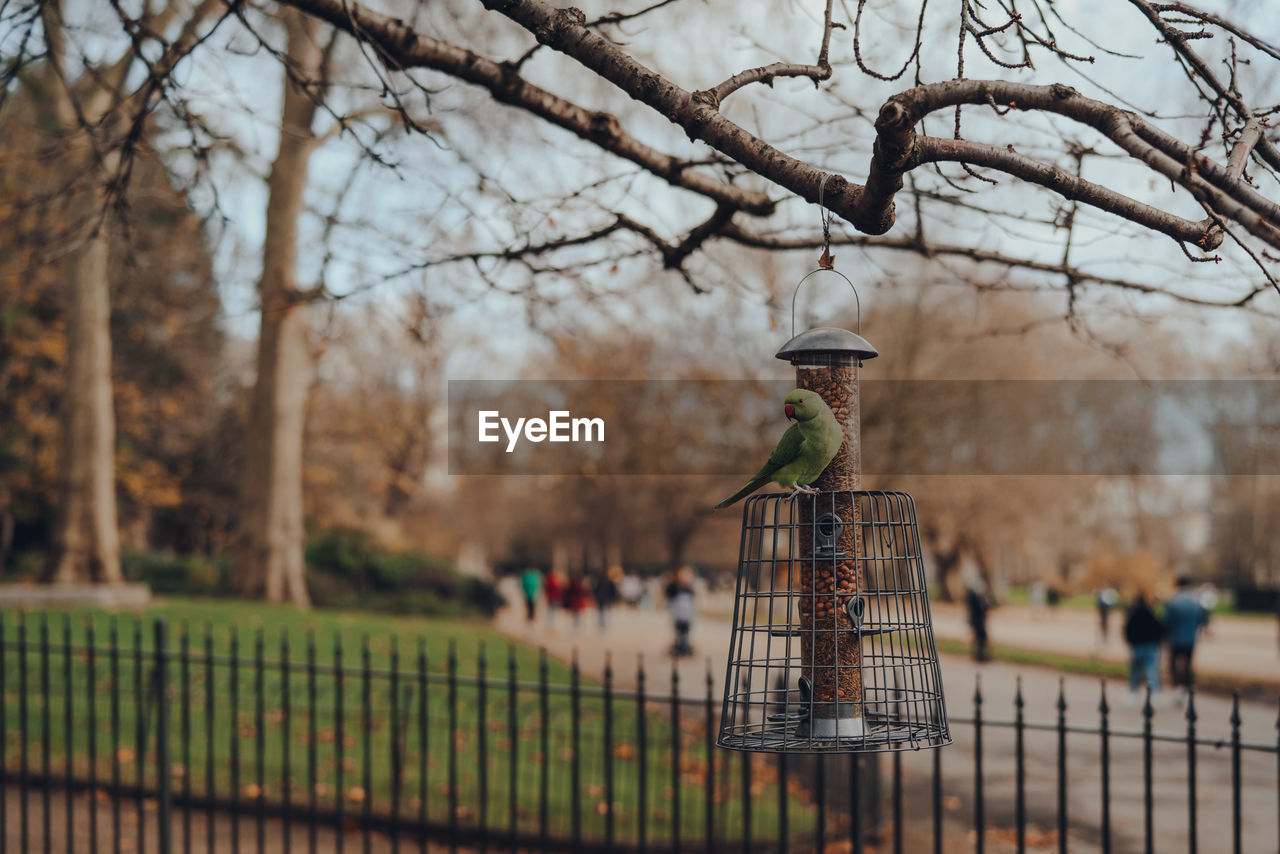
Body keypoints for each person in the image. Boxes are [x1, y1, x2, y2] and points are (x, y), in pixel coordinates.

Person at [1163, 576, 1209, 699]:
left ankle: (1178, 687)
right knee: (1188, 664)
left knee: (1173, 664)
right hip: (1190, 638)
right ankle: (1189, 688)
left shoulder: (1173, 602)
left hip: (1176, 639)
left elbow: (1168, 622)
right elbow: (1202, 620)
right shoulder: (1196, 602)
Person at [1122, 593, 1163, 700]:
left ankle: (1133, 693)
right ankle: (1154, 692)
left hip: (1138, 646)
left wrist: (1131, 642)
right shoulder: (1151, 614)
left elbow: (1127, 630)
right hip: (1150, 646)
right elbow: (1159, 629)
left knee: (1135, 671)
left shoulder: (1133, 615)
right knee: (1151, 670)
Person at [665, 567, 696, 657]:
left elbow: (691, 601)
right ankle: (680, 645)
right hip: (678, 613)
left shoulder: (688, 588)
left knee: (685, 631)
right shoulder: (674, 587)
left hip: (686, 614)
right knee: (678, 631)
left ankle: (684, 645)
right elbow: (670, 597)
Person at [964, 583, 991, 662]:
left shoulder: (974, 598)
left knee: (979, 639)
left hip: (978, 621)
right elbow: (982, 609)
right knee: (980, 639)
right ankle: (979, 656)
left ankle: (979, 655)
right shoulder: (975, 598)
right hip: (978, 622)